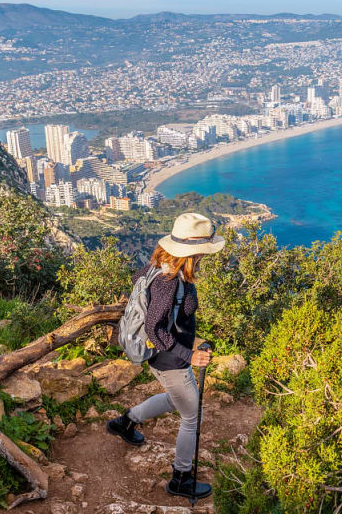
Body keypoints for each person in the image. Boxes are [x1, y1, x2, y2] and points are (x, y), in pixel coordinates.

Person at [106, 212, 225, 499]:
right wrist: (189, 353)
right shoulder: (169, 280)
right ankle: (180, 479)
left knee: (176, 399)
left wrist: (192, 339)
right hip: (171, 359)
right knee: (192, 416)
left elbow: (139, 286)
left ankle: (126, 422)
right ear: (193, 251)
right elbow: (154, 327)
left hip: (161, 355)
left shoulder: (157, 266)